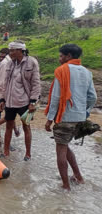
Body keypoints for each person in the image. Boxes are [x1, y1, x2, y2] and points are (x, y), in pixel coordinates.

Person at [44, 44, 97, 190]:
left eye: (61, 56)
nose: (59, 59)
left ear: (68, 56)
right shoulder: (87, 72)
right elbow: (93, 97)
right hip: (79, 118)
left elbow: (55, 98)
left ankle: (65, 186)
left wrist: (49, 119)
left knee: (60, 150)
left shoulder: (61, 71)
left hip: (64, 117)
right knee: (65, 147)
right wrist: (85, 111)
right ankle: (78, 177)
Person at [0, 41, 41, 160]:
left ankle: (28, 153)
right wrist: (2, 98)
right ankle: (6, 152)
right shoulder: (10, 64)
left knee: (26, 126)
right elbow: (5, 82)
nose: (10, 53)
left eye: (12, 51)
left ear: (20, 51)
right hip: (10, 101)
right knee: (8, 126)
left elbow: (36, 83)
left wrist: (33, 101)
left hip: (25, 101)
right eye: (10, 51)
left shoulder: (31, 62)